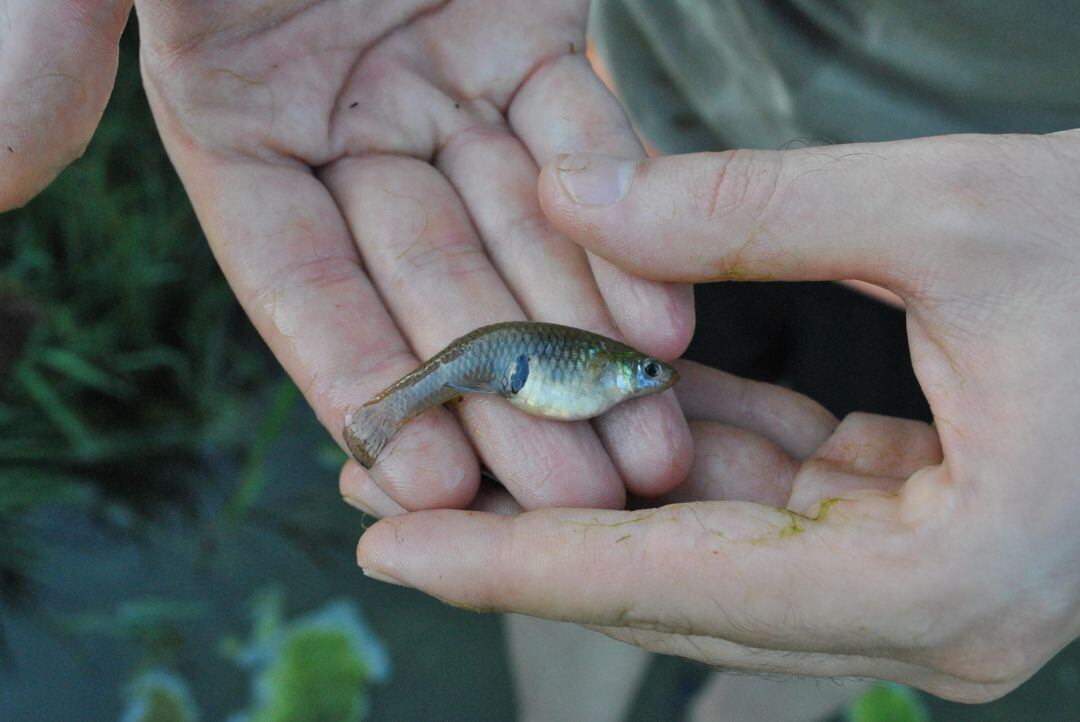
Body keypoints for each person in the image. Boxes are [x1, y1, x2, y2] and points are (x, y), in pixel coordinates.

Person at [3, 0, 1077, 714]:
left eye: (633, 375)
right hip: (609, 116)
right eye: (631, 375)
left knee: (833, 549)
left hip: (1008, 297)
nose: (640, 377)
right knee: (610, 526)